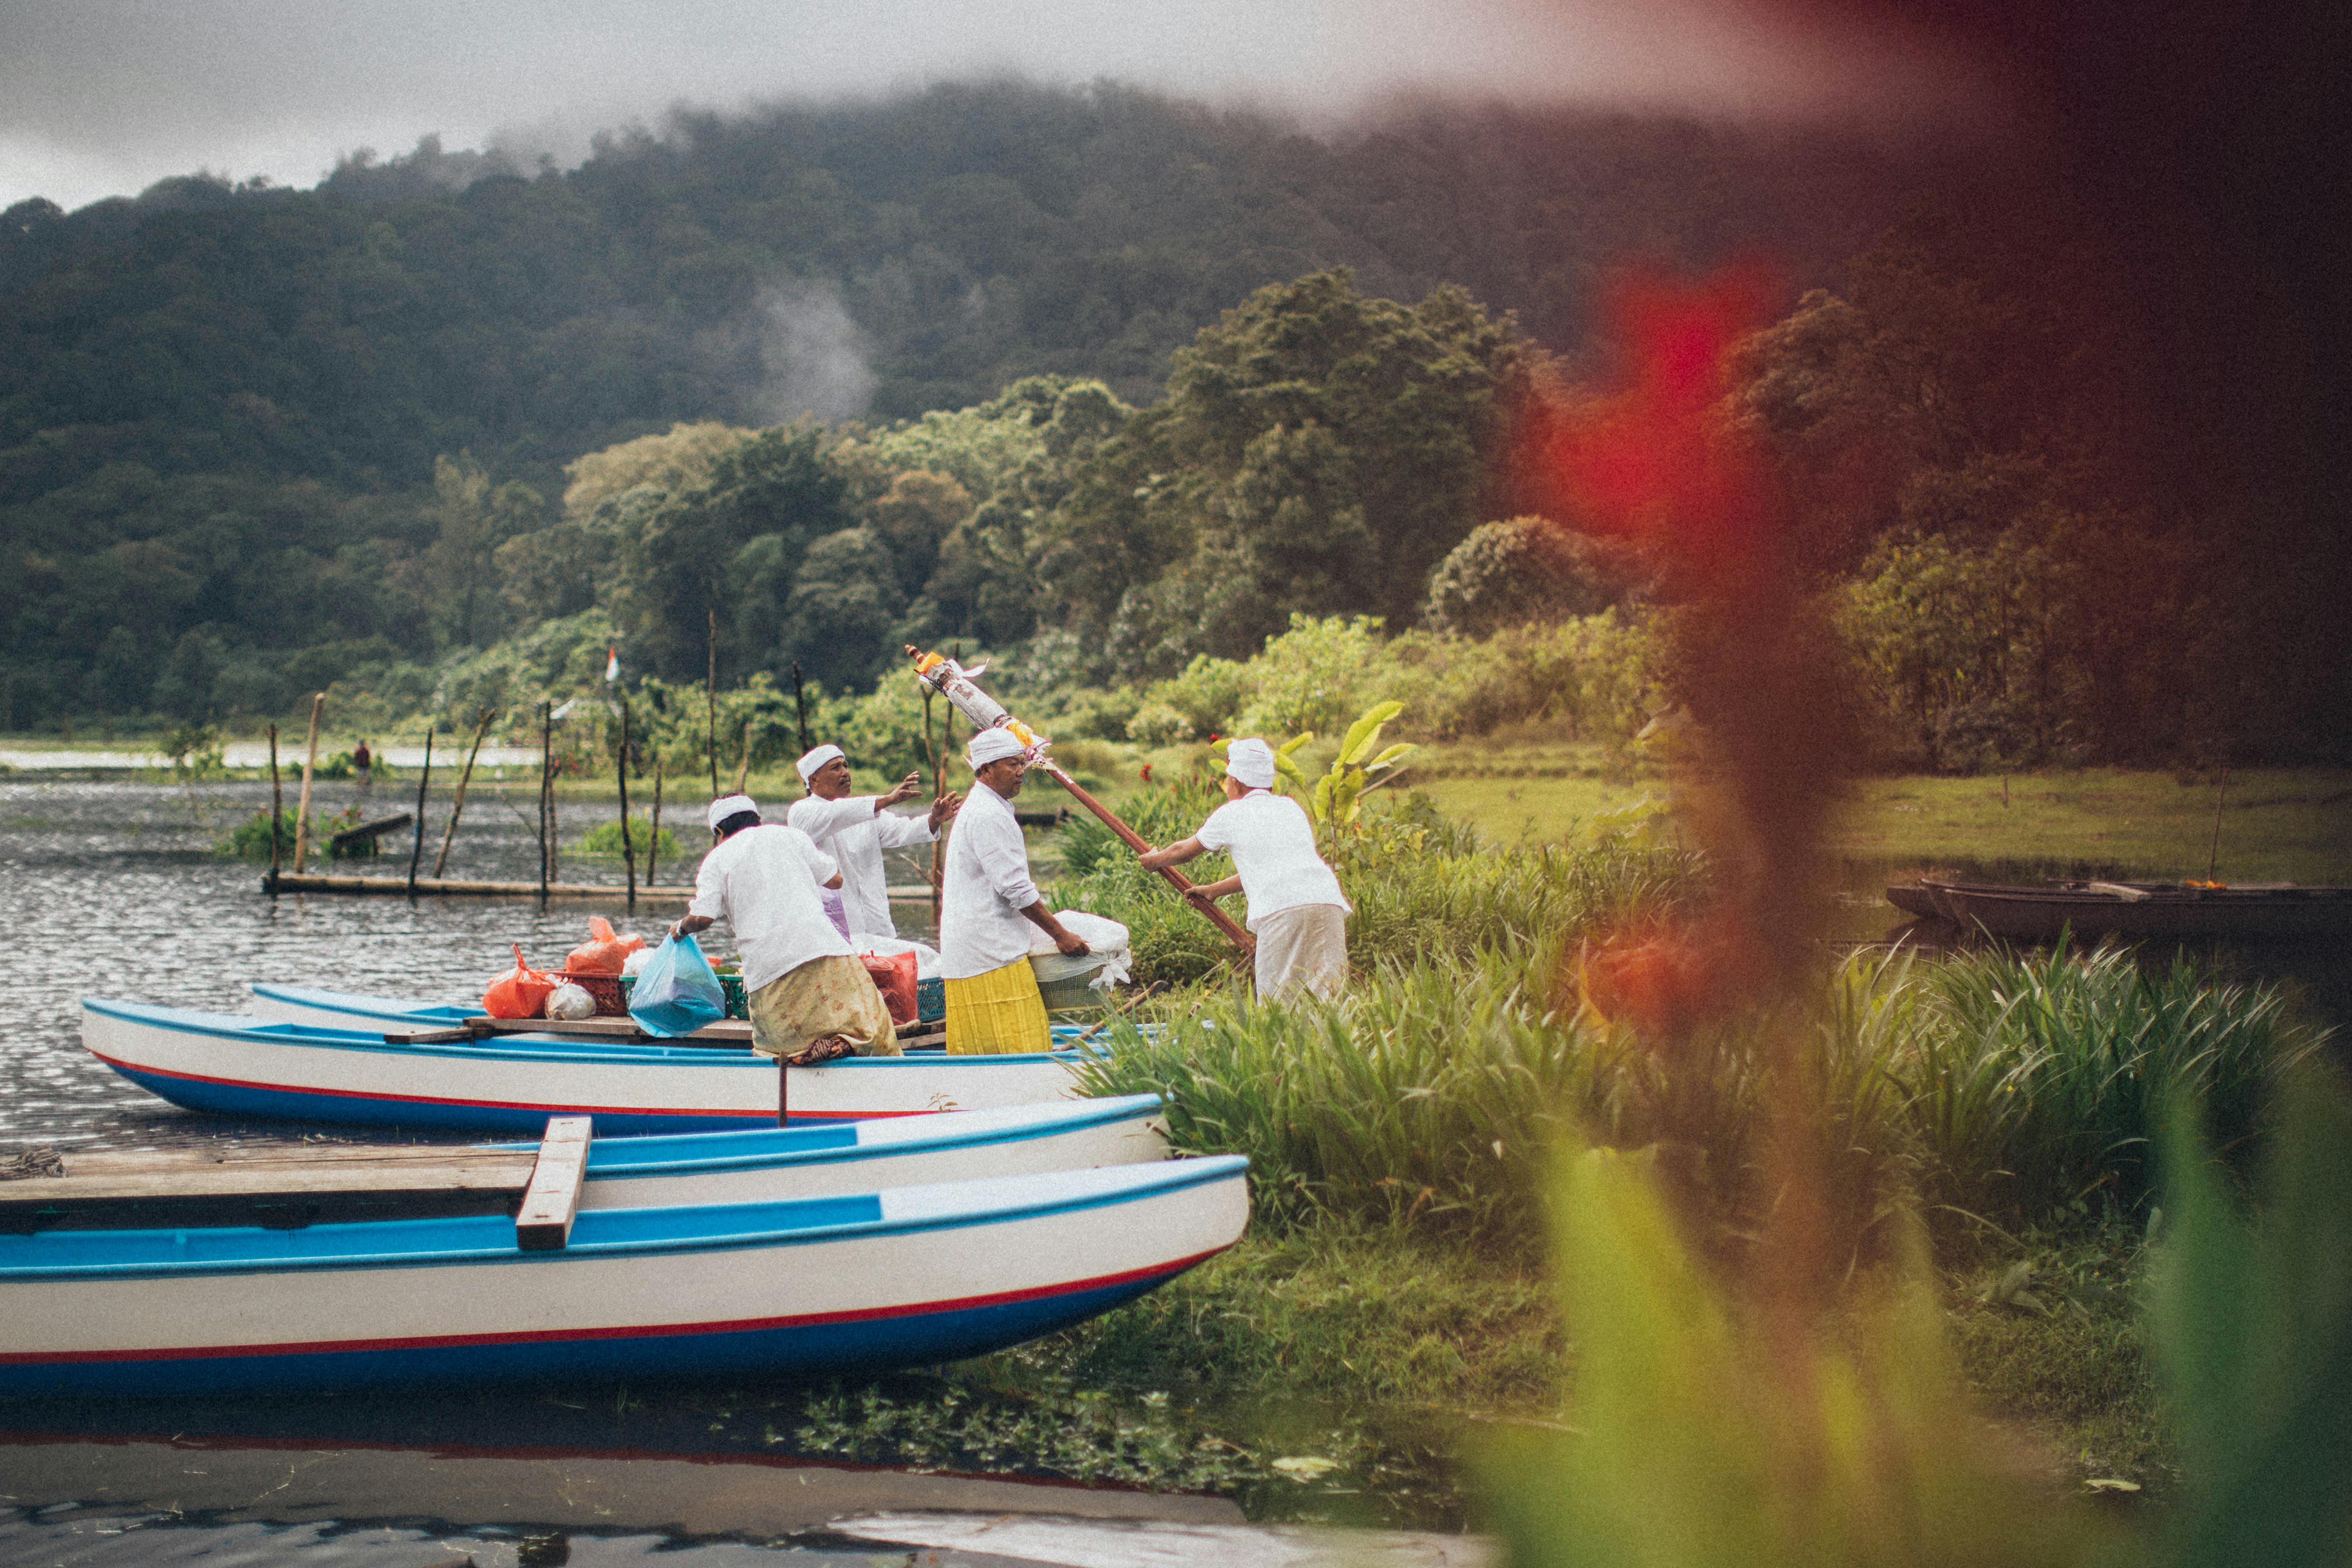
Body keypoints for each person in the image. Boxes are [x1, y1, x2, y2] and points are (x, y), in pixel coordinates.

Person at [669, 793, 898, 1066]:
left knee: (778, 1047)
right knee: (869, 1024)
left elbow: (703, 918)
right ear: (759, 820)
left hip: (769, 968)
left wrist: (681, 928)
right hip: (825, 948)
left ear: (719, 831)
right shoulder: (790, 836)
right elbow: (835, 880)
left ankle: (801, 1055)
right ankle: (843, 1044)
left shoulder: (717, 859)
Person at [1140, 737, 1351, 1001]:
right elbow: (1275, 867)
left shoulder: (1232, 813)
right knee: (1326, 994)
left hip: (1283, 910)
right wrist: (1215, 890)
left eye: (1227, 780)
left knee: (1278, 1001)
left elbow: (1184, 851)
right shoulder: (1290, 808)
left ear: (1237, 782)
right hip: (1326, 902)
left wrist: (1155, 860)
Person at [938, 728, 1089, 1054]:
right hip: (990, 952)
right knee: (1021, 1043)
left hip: (976, 947)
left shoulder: (988, 807)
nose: (1021, 772)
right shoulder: (987, 814)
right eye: (1012, 764)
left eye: (1022, 763)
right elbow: (1015, 889)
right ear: (986, 769)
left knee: (983, 1047)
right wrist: (1060, 934)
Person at [785, 743, 960, 939]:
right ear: (813, 779)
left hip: (878, 927)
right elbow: (836, 815)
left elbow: (903, 830)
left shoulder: (865, 811)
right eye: (836, 768)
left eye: (846, 766)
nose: (845, 773)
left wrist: (933, 820)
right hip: (833, 934)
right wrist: (887, 800)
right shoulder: (802, 813)